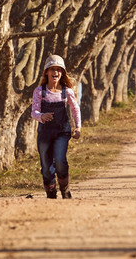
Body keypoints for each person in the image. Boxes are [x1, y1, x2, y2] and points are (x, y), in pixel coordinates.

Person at [31, 55, 81, 199]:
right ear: (46, 72)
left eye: (59, 70)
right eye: (52, 69)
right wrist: (41, 116)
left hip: (62, 132)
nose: (56, 72)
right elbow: (33, 112)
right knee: (46, 167)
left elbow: (75, 109)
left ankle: (65, 188)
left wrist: (78, 128)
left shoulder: (67, 92)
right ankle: (51, 191)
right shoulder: (40, 91)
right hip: (45, 133)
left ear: (62, 73)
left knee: (60, 160)